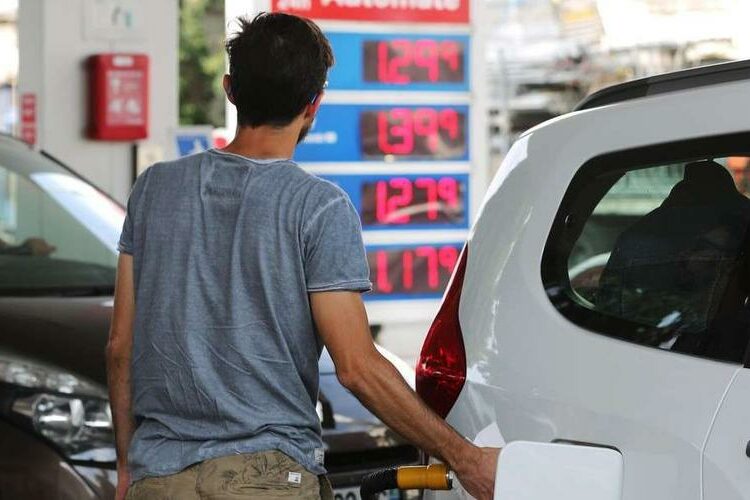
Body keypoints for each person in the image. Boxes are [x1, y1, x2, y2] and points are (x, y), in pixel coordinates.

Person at [107, 12, 499, 500]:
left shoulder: (153, 190)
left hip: (158, 477)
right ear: (314, 105)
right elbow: (355, 367)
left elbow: (121, 348)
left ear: (230, 90)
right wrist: (466, 458)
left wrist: (129, 467)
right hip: (269, 477)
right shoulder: (319, 206)